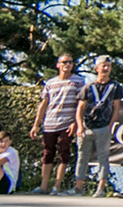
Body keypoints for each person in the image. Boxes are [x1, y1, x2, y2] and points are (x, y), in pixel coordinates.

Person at [29, 53, 85, 196]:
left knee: (64, 153)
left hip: (66, 123)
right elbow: (44, 103)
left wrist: (75, 122)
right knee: (48, 153)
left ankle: (57, 185)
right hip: (49, 123)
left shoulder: (78, 81)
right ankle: (43, 186)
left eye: (71, 62)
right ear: (58, 64)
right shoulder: (50, 83)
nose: (68, 65)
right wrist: (36, 124)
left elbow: (81, 104)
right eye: (65, 62)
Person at [75, 56, 123, 197]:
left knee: (103, 157)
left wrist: (110, 126)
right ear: (97, 68)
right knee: (82, 157)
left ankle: (100, 188)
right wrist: (80, 126)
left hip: (103, 127)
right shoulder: (88, 87)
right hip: (87, 127)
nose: (106, 68)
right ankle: (78, 188)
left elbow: (116, 108)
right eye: (103, 66)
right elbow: (80, 108)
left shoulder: (115, 87)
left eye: (108, 66)